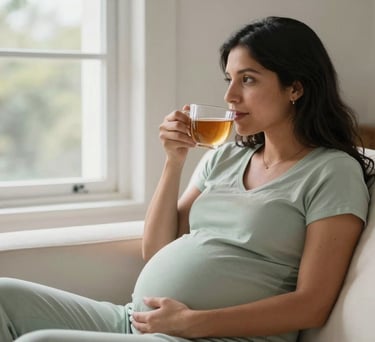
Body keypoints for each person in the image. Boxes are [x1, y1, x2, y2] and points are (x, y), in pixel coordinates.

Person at [0, 16, 374, 342]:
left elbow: (312, 305)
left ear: (296, 87)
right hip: (138, 322)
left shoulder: (332, 171)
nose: (230, 95)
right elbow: (157, 249)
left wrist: (192, 323)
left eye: (248, 80)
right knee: (4, 296)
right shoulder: (227, 156)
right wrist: (173, 162)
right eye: (229, 79)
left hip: (210, 338)